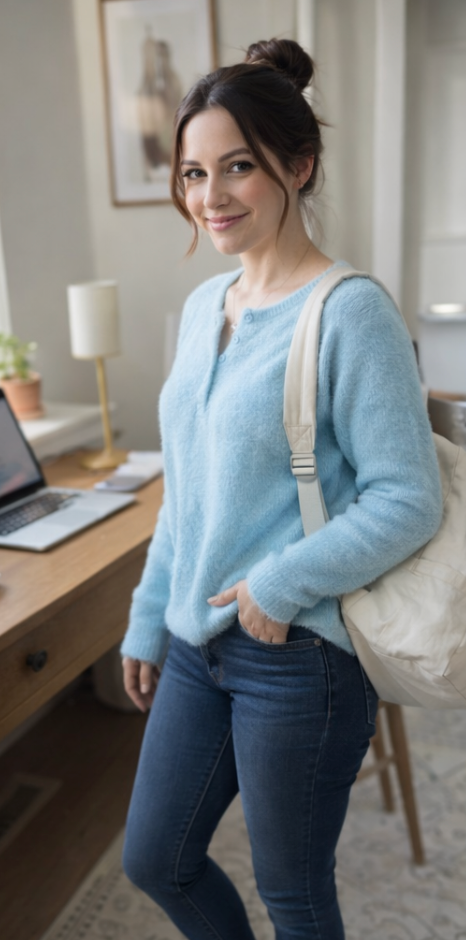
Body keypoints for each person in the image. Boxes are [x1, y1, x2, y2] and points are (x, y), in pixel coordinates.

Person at [120, 38, 442, 940]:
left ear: (297, 166)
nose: (210, 196)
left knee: (294, 895)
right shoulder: (200, 309)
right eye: (192, 173)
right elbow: (186, 493)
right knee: (156, 858)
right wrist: (151, 615)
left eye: (237, 168)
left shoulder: (351, 313)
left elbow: (406, 497)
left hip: (295, 652)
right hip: (195, 642)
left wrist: (279, 586)